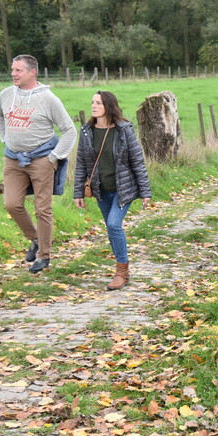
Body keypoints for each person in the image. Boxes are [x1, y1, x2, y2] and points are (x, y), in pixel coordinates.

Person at [0, 54, 76, 273]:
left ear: (32, 72)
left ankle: (44, 255)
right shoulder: (6, 94)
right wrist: (5, 138)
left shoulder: (48, 98)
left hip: (41, 159)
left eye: (18, 70)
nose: (13, 73)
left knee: (43, 209)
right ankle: (36, 238)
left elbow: (69, 130)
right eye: (12, 69)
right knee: (12, 204)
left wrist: (53, 157)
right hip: (13, 159)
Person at [72, 91, 152, 290]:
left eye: (98, 103)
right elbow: (81, 164)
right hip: (101, 190)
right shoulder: (86, 131)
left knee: (114, 224)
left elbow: (137, 161)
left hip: (123, 189)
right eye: (92, 102)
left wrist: (145, 191)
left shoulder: (123, 130)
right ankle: (121, 268)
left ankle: (121, 273)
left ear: (108, 105)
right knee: (110, 227)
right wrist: (78, 192)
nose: (93, 106)